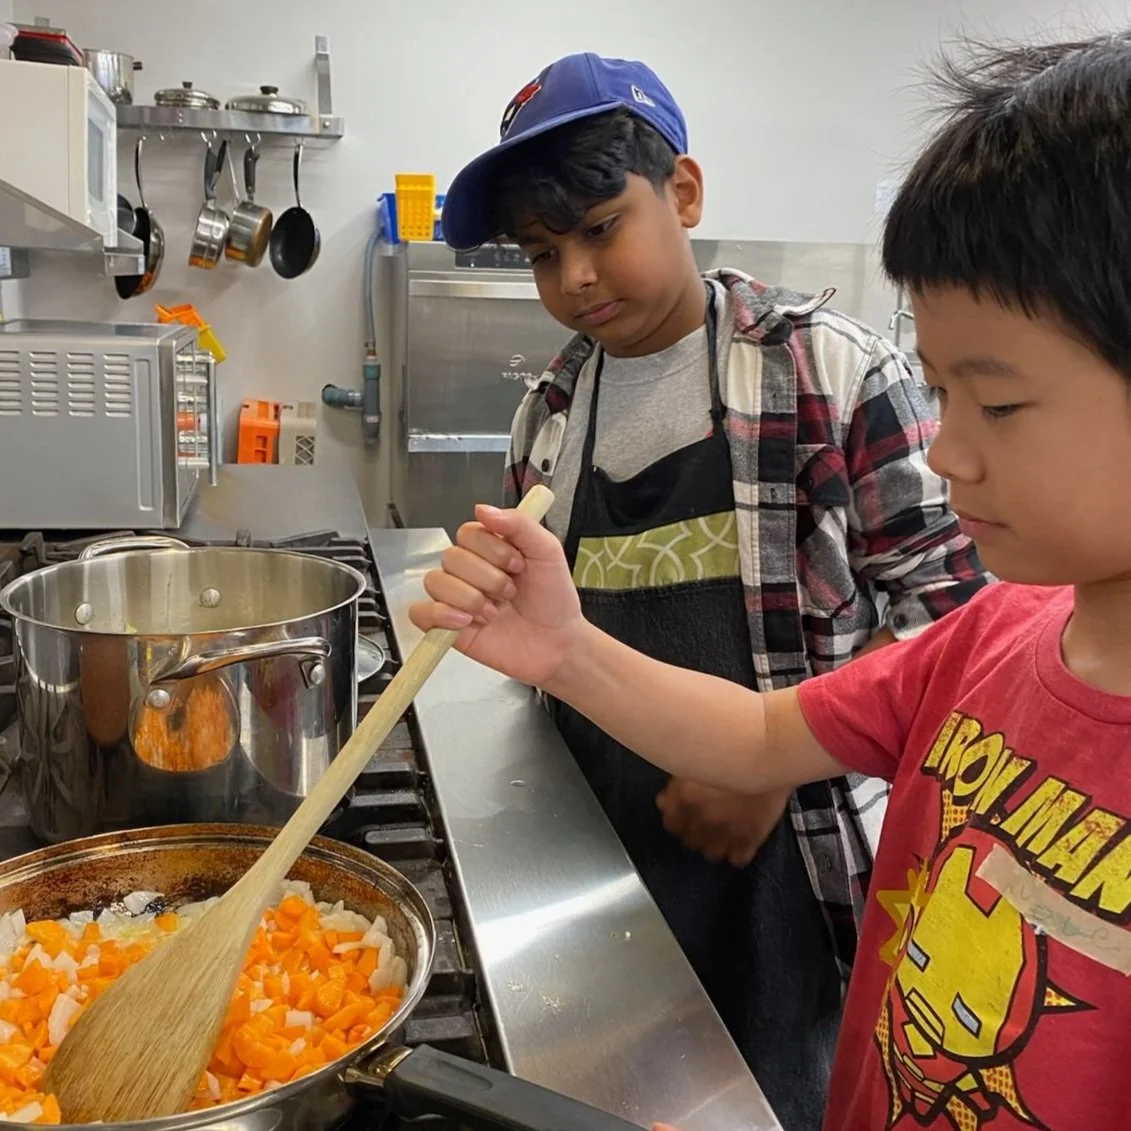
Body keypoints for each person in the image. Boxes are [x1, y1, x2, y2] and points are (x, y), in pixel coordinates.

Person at [417, 32, 1131, 1131]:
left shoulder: (824, 370)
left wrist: (783, 758)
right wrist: (554, 648)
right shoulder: (550, 416)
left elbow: (934, 606)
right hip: (619, 839)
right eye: (540, 254)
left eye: (599, 231)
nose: (576, 276)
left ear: (684, 192)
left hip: (793, 867)